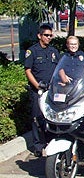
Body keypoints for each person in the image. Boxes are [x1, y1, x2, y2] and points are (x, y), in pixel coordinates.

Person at [24, 24, 60, 157]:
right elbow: (28, 70)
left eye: (51, 35)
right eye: (46, 35)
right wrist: (37, 86)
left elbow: (59, 69)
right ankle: (38, 146)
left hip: (52, 91)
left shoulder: (53, 51)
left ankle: (50, 143)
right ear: (39, 36)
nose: (49, 37)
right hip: (38, 91)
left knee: (52, 117)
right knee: (37, 118)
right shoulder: (32, 51)